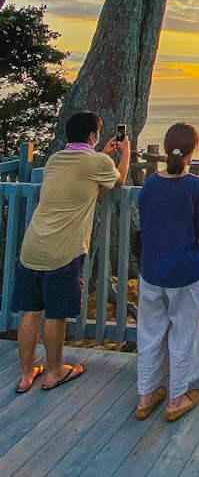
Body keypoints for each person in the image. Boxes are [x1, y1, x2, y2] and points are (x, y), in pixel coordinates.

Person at [12, 111, 129, 393]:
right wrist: (125, 153)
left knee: (30, 311)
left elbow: (82, 178)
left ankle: (26, 374)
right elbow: (118, 181)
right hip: (63, 250)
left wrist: (101, 153)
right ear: (92, 135)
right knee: (56, 314)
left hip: (33, 245)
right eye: (99, 131)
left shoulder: (55, 160)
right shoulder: (97, 162)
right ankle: (54, 372)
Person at [135, 122, 199, 423]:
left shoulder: (151, 184)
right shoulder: (197, 186)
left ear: (167, 149)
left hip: (152, 270)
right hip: (185, 271)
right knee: (184, 333)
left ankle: (146, 396)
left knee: (150, 333)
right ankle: (176, 398)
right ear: (193, 152)